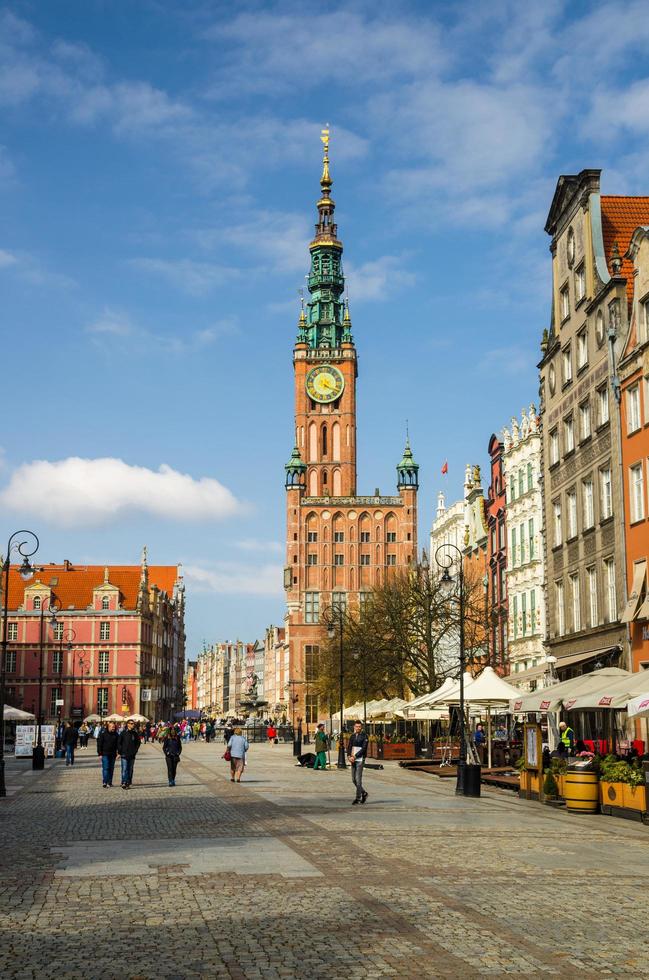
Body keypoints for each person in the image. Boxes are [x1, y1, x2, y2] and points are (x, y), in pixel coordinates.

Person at [346, 721, 369, 805]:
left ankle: (358, 798)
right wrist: (348, 756)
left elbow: (364, 749)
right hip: (353, 759)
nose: (358, 728)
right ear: (354, 727)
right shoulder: (352, 736)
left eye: (359, 726)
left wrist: (355, 756)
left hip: (360, 759)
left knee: (358, 780)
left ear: (361, 727)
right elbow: (349, 746)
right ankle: (364, 793)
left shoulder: (365, 736)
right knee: (353, 779)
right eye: (356, 726)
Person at [117, 718, 141, 789]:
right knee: (124, 769)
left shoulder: (135, 733)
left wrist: (135, 750)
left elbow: (138, 743)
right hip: (124, 754)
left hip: (132, 754)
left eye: (133, 724)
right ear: (127, 724)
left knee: (130, 769)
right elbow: (119, 743)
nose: (133, 725)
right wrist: (120, 752)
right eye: (131, 723)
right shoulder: (123, 733)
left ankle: (129, 781)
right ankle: (124, 782)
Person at [97, 721, 119, 787]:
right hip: (105, 754)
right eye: (112, 727)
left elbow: (118, 745)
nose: (113, 728)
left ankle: (109, 782)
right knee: (106, 768)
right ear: (108, 727)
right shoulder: (103, 734)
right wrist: (100, 754)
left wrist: (119, 753)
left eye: (114, 727)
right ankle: (105, 782)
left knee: (111, 768)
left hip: (113, 754)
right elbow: (99, 744)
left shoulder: (116, 735)